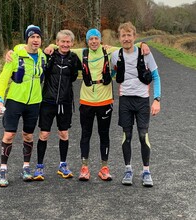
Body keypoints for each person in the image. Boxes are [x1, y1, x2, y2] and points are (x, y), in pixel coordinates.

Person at [46, 28, 151, 181]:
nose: (94, 42)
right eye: (91, 39)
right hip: (87, 100)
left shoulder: (108, 51)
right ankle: (84, 167)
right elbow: (63, 46)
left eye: (96, 38)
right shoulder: (81, 53)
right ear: (87, 41)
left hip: (105, 100)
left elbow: (127, 46)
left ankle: (104, 167)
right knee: (85, 134)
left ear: (100, 40)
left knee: (104, 134)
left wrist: (143, 43)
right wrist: (51, 46)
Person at [0, 25, 46, 187]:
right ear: (27, 39)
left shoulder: (43, 57)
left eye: (38, 37)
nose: (36, 40)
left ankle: (26, 168)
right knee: (9, 135)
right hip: (15, 101)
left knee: (28, 135)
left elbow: (63, 46)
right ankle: (3, 170)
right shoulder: (15, 56)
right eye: (32, 37)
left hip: (34, 102)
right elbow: (3, 79)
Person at [111, 22, 161, 187]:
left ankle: (146, 171)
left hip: (142, 100)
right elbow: (111, 73)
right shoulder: (115, 55)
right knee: (127, 135)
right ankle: (128, 170)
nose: (126, 38)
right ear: (119, 38)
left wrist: (157, 99)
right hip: (125, 100)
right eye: (123, 35)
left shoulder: (145, 53)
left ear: (134, 37)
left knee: (142, 135)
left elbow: (156, 76)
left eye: (129, 35)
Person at [33, 30, 81, 181]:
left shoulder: (74, 58)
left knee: (64, 134)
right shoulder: (49, 55)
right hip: (48, 101)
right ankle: (39, 167)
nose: (65, 44)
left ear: (72, 43)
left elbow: (75, 76)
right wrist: (50, 47)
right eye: (62, 41)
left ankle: (63, 165)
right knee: (44, 134)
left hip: (65, 102)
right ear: (57, 42)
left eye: (68, 42)